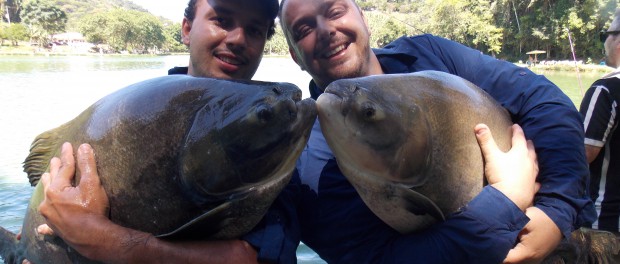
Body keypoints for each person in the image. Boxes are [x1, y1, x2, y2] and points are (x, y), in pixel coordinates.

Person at [33, 1, 543, 264]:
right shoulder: (139, 105)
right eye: (222, 19)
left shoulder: (283, 149)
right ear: (187, 28)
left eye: (254, 29)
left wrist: (103, 240)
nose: (237, 38)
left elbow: (249, 261)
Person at [276, 0, 596, 262]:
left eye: (335, 11)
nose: (326, 30)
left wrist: (555, 211)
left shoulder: (430, 53)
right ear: (294, 56)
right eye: (303, 29)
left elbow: (545, 101)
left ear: (363, 19)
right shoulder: (305, 169)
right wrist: (505, 201)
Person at [579, 8, 620, 244]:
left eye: (605, 34)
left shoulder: (605, 90)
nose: (604, 41)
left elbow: (581, 155)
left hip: (604, 224)